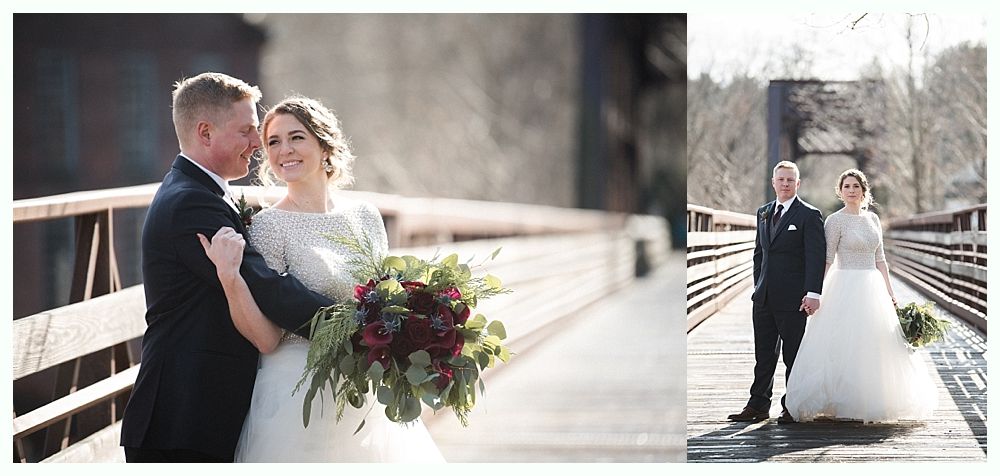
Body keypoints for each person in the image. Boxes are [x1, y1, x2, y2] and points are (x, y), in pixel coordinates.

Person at [199, 95, 445, 462]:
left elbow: (382, 301)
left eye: (296, 137)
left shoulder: (365, 216)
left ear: (324, 144)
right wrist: (230, 277)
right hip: (296, 394)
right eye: (274, 142)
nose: (285, 151)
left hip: (361, 387)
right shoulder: (268, 226)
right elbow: (266, 336)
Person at [120, 73, 335, 463]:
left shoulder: (200, 192)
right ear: (205, 132)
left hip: (198, 415)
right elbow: (266, 285)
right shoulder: (190, 203)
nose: (257, 144)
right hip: (181, 422)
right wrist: (358, 324)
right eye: (247, 131)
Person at [784, 169, 938, 423]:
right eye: (846, 186)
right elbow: (827, 260)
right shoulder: (835, 221)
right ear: (840, 191)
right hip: (845, 284)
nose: (851, 190)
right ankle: (839, 399)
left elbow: (881, 260)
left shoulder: (873, 220)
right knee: (844, 343)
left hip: (873, 287)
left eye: (856, 186)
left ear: (863, 190)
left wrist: (890, 294)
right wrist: (815, 291)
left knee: (874, 344)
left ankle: (870, 400)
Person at [727, 161, 826, 424]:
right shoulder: (763, 212)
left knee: (793, 355)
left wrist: (813, 292)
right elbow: (759, 253)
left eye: (790, 180)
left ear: (798, 184)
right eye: (781, 179)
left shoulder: (809, 215)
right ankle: (758, 404)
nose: (785, 184)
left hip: (794, 298)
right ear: (773, 182)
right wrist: (758, 284)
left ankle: (792, 405)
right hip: (764, 297)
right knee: (763, 354)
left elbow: (815, 258)